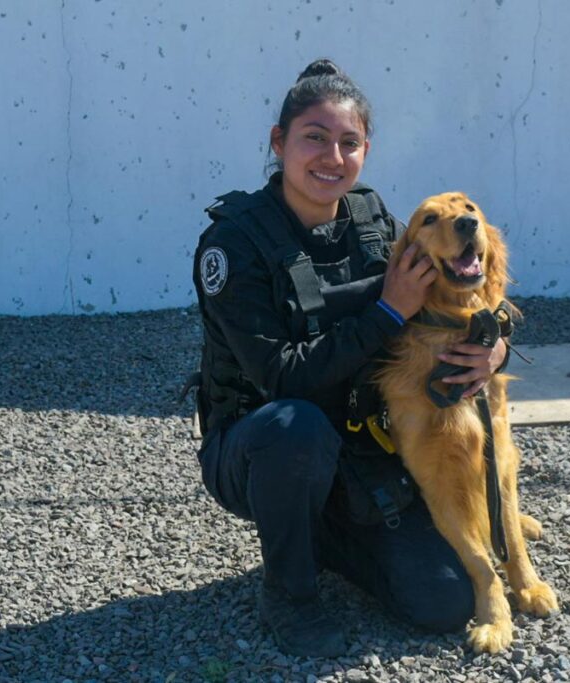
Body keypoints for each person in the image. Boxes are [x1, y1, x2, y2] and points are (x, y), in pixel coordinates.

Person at [192, 59, 509, 657]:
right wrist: (386, 312)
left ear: (366, 150)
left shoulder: (372, 220)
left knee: (443, 602)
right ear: (279, 141)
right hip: (262, 445)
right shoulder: (234, 244)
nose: (332, 158)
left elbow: (459, 295)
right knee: (297, 427)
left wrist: (492, 348)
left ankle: (330, 532)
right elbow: (282, 377)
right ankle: (290, 593)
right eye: (314, 137)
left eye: (349, 142)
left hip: (363, 446)